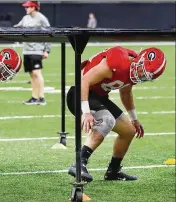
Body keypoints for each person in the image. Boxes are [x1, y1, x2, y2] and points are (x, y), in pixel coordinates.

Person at [67, 46, 166, 182]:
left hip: (98, 97)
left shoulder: (132, 71)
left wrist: (134, 119)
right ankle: (79, 164)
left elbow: (125, 92)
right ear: (139, 60)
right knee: (106, 120)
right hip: (79, 93)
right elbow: (84, 81)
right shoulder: (118, 61)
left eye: (145, 76)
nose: (140, 75)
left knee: (129, 131)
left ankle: (113, 171)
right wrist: (86, 112)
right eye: (142, 70)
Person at [14, 1, 51, 106]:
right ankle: (34, 97)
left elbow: (49, 34)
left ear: (34, 7)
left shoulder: (41, 18)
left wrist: (46, 50)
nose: (26, 9)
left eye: (28, 7)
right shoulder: (25, 18)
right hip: (26, 50)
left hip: (37, 50)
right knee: (31, 74)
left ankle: (42, 97)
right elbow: (18, 27)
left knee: (37, 73)